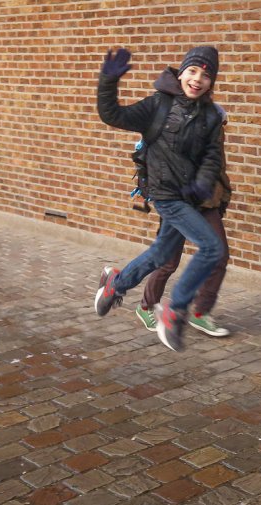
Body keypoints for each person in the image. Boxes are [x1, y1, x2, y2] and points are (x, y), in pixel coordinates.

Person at [94, 46, 225, 351]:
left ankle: (116, 283)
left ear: (211, 81)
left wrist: (203, 184)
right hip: (166, 195)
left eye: (206, 75)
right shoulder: (158, 105)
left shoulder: (210, 116)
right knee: (211, 248)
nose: (198, 79)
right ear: (181, 73)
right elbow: (112, 114)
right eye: (193, 71)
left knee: (159, 255)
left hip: (188, 197)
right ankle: (174, 311)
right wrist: (108, 81)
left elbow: (212, 157)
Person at [136, 109, 233, 339]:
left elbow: (219, 166)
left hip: (206, 200)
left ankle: (200, 313)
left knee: (219, 255)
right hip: (177, 201)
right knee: (168, 262)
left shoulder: (216, 120)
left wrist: (222, 195)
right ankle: (146, 306)